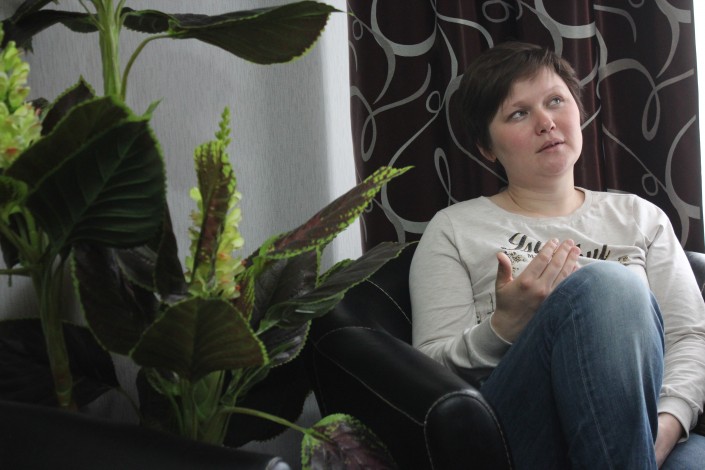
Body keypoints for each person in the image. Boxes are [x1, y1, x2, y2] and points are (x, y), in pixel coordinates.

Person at [410, 41, 705, 469]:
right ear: (487, 147)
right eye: (518, 113)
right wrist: (503, 327)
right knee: (609, 284)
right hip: (522, 436)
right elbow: (428, 372)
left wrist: (665, 429)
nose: (546, 122)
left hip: (644, 427)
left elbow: (688, 338)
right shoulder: (454, 228)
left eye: (555, 101)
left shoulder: (640, 217)